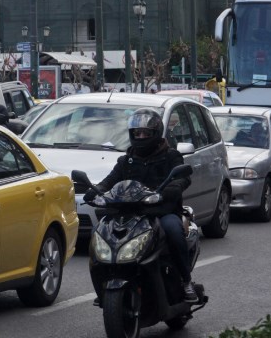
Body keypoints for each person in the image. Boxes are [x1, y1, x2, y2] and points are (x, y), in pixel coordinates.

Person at [83, 108, 197, 302]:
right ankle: (104, 283)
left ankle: (185, 281)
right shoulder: (127, 159)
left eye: (145, 133)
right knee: (99, 231)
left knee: (173, 231)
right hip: (130, 212)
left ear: (155, 133)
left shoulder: (171, 156)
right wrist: (95, 190)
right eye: (137, 133)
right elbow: (111, 179)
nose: (141, 136)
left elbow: (182, 178)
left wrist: (167, 192)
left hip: (161, 212)